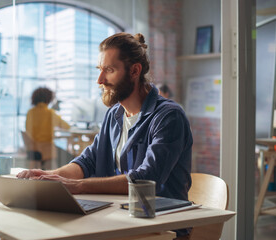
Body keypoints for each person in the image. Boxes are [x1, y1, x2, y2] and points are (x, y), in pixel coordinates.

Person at [18, 33, 193, 237]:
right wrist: (50, 177)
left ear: (135, 70)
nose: (100, 80)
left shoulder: (168, 117)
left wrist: (77, 186)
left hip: (162, 228)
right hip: (120, 219)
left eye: (109, 70)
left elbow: (147, 178)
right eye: (99, 70)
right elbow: (88, 161)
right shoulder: (115, 113)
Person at [25, 87, 73, 169]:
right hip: (47, 150)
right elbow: (67, 126)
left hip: (32, 148)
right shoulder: (50, 113)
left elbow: (27, 130)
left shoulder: (30, 112)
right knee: (70, 156)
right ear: (48, 99)